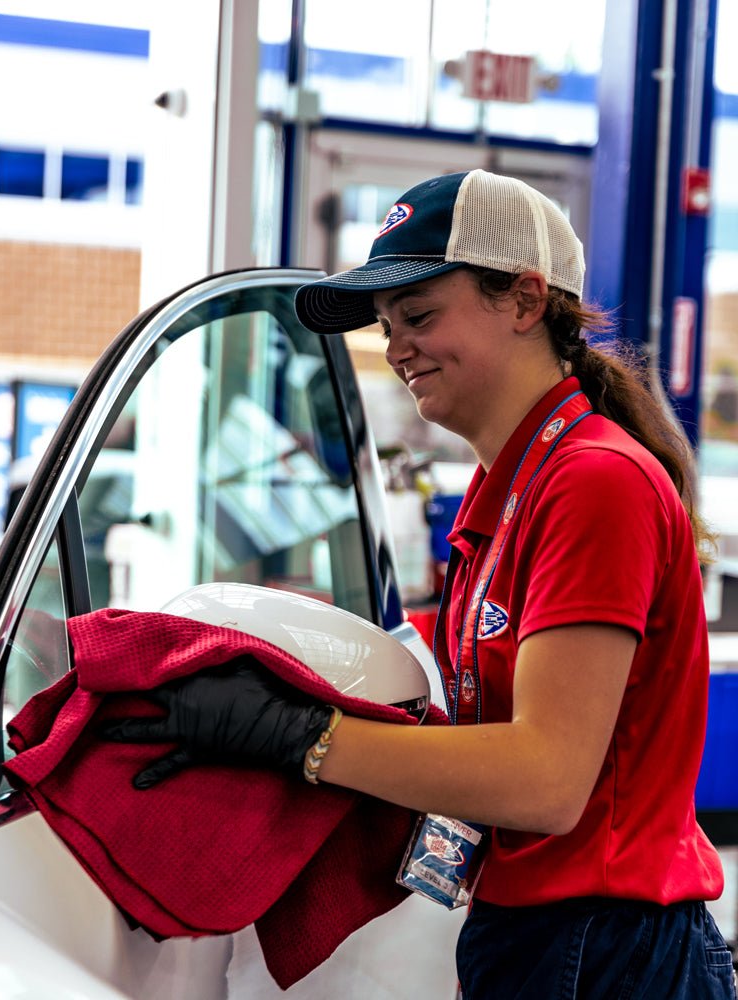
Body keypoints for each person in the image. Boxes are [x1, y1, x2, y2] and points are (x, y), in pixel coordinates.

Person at [104, 168, 735, 998]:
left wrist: (302, 736)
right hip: (543, 936)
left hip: (607, 949)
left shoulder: (594, 483)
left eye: (422, 315)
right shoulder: (506, 488)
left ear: (525, 300)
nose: (396, 346)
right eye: (387, 323)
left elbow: (545, 779)